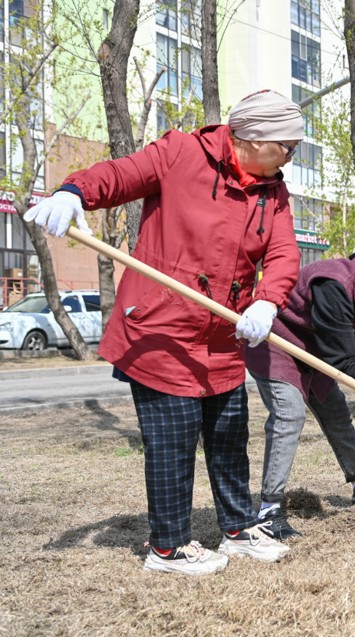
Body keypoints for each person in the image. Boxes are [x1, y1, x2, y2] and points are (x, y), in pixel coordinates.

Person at [24, 89, 305, 575]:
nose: (290, 157)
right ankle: (169, 547)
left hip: (222, 336)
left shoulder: (273, 193)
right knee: (173, 441)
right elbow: (116, 175)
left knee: (227, 438)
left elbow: (283, 254)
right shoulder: (181, 153)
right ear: (253, 138)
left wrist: (266, 299)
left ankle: (238, 531)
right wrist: (73, 191)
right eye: (287, 147)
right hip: (160, 329)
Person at [245, 236, 355, 539]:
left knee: (337, 413)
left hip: (319, 352)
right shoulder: (334, 284)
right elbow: (342, 364)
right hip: (280, 344)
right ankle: (268, 511)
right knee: (289, 416)